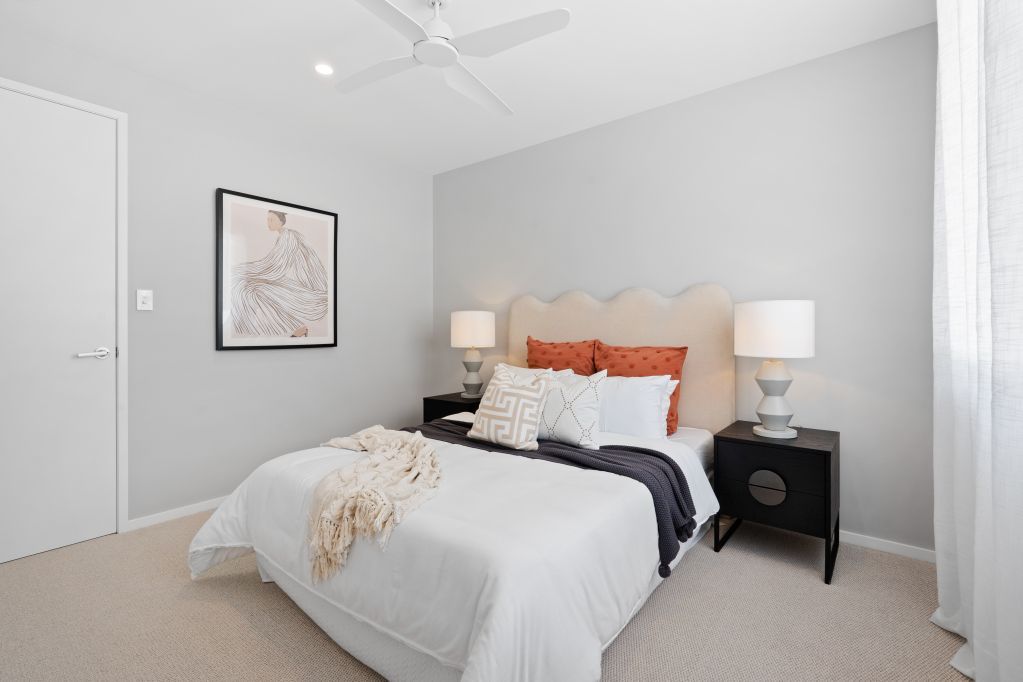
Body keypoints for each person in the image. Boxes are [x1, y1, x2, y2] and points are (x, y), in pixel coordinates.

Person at [230, 210, 328, 338]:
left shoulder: (288, 236)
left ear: (281, 221)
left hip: (310, 289)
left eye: (272, 220)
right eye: (267, 219)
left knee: (248, 287)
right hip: (291, 280)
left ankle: (291, 330)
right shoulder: (284, 236)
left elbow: (277, 267)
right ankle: (294, 330)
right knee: (247, 286)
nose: (268, 223)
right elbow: (275, 264)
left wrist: (249, 271)